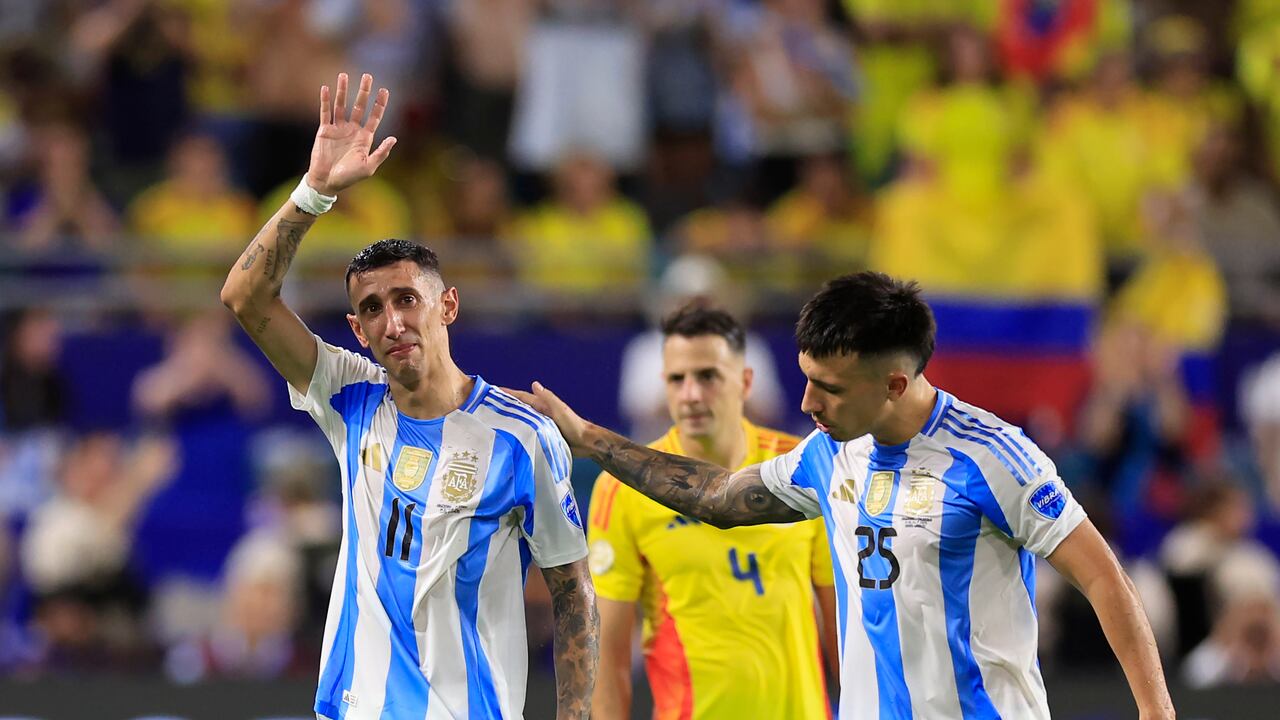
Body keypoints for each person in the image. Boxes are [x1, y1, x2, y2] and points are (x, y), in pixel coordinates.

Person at [513, 271, 1176, 719]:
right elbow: (716, 497)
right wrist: (587, 438)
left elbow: (1104, 578)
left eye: (828, 387)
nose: (806, 403)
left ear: (893, 384)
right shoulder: (830, 455)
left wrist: (1155, 711)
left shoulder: (992, 457)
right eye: (806, 379)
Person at [219, 72, 597, 720]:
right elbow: (244, 299)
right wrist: (314, 194)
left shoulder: (522, 437)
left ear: (445, 306)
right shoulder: (348, 398)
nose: (392, 322)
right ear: (357, 330)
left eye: (406, 300)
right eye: (372, 308)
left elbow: (573, 594)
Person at [590, 304, 837, 719]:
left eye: (707, 376)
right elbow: (607, 653)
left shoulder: (803, 467)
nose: (691, 394)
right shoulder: (623, 487)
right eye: (676, 379)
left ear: (745, 382)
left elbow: (842, 628)